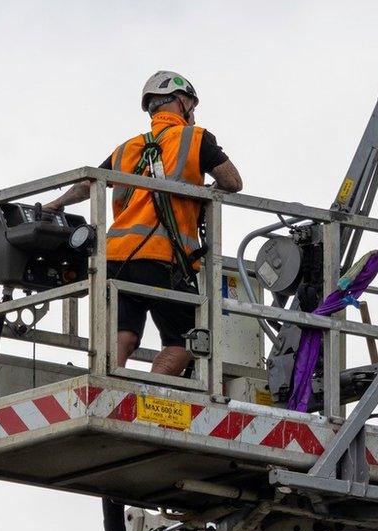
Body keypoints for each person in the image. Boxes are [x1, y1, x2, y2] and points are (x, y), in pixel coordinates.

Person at [44, 70, 242, 377]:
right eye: (192, 104)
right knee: (187, 340)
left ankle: (106, 386)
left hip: (116, 257)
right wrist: (203, 194)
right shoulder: (195, 138)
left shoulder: (126, 149)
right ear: (181, 102)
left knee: (124, 332)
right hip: (163, 258)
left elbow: (88, 184)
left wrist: (57, 203)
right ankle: (152, 390)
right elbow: (232, 181)